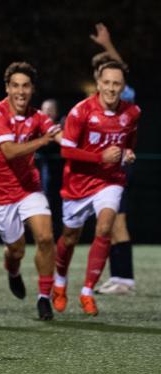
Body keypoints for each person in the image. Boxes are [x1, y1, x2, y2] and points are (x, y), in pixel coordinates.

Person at [52, 60, 140, 316]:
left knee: (104, 227)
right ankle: (59, 282)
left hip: (110, 181)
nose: (112, 89)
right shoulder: (80, 112)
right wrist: (99, 158)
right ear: (99, 83)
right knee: (69, 237)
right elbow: (66, 150)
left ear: (123, 87)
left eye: (117, 84)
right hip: (78, 183)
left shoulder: (132, 112)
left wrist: (128, 153)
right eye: (108, 83)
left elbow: (129, 140)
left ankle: (87, 291)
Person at [0, 62, 62, 321]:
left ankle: (43, 298)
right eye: (15, 86)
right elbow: (10, 151)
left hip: (28, 187)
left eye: (25, 86)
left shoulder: (37, 116)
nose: (20, 91)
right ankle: (13, 271)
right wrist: (43, 141)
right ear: (7, 88)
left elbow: (57, 135)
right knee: (17, 250)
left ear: (32, 89)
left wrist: (78, 144)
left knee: (46, 237)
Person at [89, 22, 137, 294]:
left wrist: (107, 45)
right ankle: (118, 276)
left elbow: (122, 74)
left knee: (117, 222)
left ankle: (125, 279)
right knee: (108, 222)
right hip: (104, 169)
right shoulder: (97, 102)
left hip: (118, 167)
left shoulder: (122, 97)